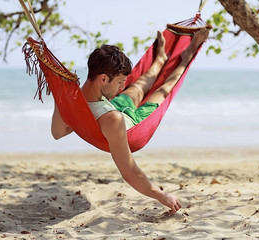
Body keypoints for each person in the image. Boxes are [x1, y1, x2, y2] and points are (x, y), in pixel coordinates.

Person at [51, 28, 210, 214]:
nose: (122, 85)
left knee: (140, 85)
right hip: (130, 121)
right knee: (163, 89)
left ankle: (159, 60)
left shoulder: (78, 99)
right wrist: (161, 195)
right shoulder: (109, 120)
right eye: (119, 82)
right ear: (103, 78)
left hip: (113, 105)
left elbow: (58, 132)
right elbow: (130, 172)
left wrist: (62, 99)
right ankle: (186, 56)